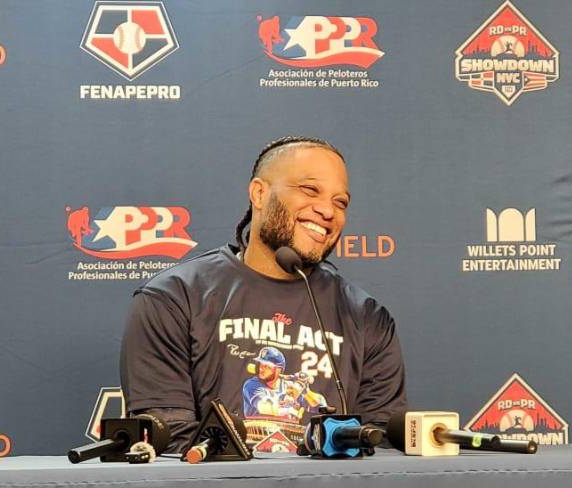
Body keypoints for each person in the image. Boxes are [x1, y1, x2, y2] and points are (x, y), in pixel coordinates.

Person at [120, 136, 406, 453]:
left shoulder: (367, 318)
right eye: (310, 190)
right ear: (259, 193)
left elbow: (378, 444)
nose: (328, 210)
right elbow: (168, 437)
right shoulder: (173, 298)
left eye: (340, 202)